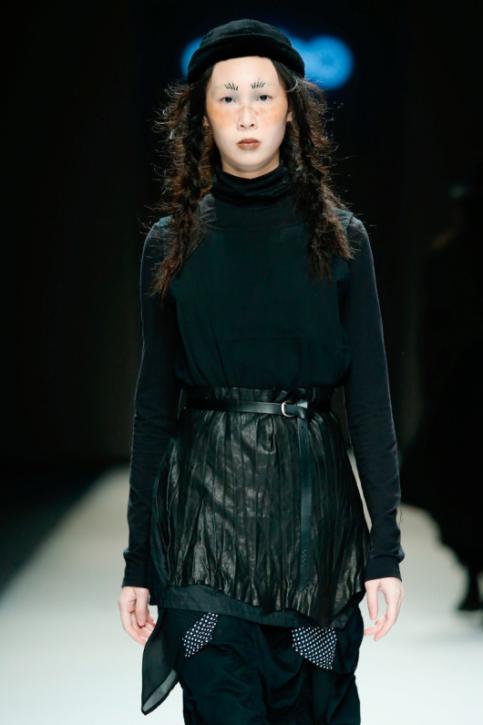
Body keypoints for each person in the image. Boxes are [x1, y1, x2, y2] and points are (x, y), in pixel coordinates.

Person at [117, 17, 406, 724]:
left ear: (290, 111)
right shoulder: (171, 245)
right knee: (222, 704)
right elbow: (153, 407)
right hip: (203, 529)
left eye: (261, 95)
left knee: (314, 706)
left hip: (312, 529)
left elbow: (369, 402)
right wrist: (137, 561)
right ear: (202, 117)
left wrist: (384, 551)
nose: (245, 114)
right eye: (227, 98)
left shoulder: (340, 241)